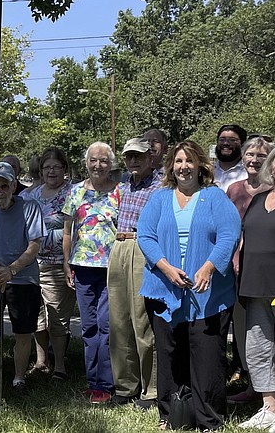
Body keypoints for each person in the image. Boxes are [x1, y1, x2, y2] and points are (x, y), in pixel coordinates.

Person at [138, 140, 241, 431]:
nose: (184, 167)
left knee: (206, 356)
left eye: (189, 161)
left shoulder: (215, 197)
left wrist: (208, 268)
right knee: (170, 354)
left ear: (200, 166)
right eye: (178, 161)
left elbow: (229, 235)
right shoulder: (159, 199)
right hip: (164, 288)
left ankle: (208, 419)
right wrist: (167, 269)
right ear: (171, 166)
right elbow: (145, 236)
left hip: (209, 293)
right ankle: (172, 415)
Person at [0, 162, 44, 394]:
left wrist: (11, 270)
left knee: (23, 330)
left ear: (14, 185)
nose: (0, 191)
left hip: (23, 278)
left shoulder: (30, 206)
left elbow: (34, 245)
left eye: (5, 185)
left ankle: (19, 378)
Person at [62, 141, 121, 404]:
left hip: (111, 267)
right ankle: (93, 381)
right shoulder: (75, 192)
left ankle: (106, 385)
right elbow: (67, 231)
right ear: (86, 163)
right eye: (93, 160)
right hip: (82, 266)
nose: (98, 165)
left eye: (104, 160)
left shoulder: (120, 192)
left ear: (111, 164)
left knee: (107, 325)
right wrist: (66, 263)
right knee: (88, 327)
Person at [107, 138, 160, 409]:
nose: (134, 161)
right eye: (129, 157)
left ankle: (151, 390)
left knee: (142, 321)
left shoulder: (161, 185)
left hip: (144, 247)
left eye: (139, 156)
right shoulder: (123, 184)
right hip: (119, 245)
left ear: (151, 157)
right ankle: (124, 386)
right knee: (118, 320)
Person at [227, 136, 274, 404]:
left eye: (261, 155)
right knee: (247, 331)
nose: (254, 159)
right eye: (250, 154)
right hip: (237, 271)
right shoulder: (234, 190)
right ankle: (253, 386)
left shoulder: (271, 190)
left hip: (265, 273)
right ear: (242, 158)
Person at [20, 147, 74, 380]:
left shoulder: (73, 194)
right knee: (38, 316)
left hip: (60, 264)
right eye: (47, 167)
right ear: (40, 170)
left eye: (56, 167)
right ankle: (41, 362)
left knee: (58, 317)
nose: (51, 171)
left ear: (65, 169)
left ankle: (60, 366)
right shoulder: (30, 195)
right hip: (32, 264)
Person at [237, 147, 275, 431]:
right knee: (259, 348)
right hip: (255, 286)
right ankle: (269, 409)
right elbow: (245, 237)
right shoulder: (259, 199)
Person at [214, 124, 248, 191]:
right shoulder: (207, 171)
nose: (226, 143)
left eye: (232, 140)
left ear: (243, 144)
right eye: (222, 139)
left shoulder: (248, 172)